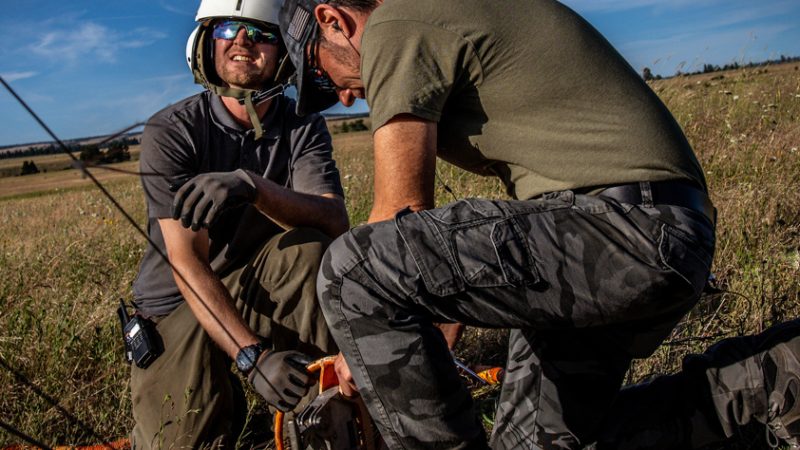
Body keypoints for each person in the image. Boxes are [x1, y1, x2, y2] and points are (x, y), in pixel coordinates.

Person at [275, 0, 800, 448]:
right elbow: (425, 267)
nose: (343, 98)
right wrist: (409, 360)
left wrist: (358, 359)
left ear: (333, 20)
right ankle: (779, 373)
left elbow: (397, 215)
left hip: (626, 228)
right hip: (642, 235)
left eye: (321, 80)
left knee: (351, 268)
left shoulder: (395, 21)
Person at [129, 0, 348, 447]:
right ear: (206, 43)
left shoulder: (301, 125)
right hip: (180, 303)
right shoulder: (173, 130)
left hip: (260, 284)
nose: (244, 41)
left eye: (263, 33)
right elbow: (186, 261)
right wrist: (253, 357)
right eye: (230, 27)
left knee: (307, 250)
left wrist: (252, 186)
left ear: (285, 51)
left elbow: (332, 219)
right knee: (189, 441)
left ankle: (318, 405)